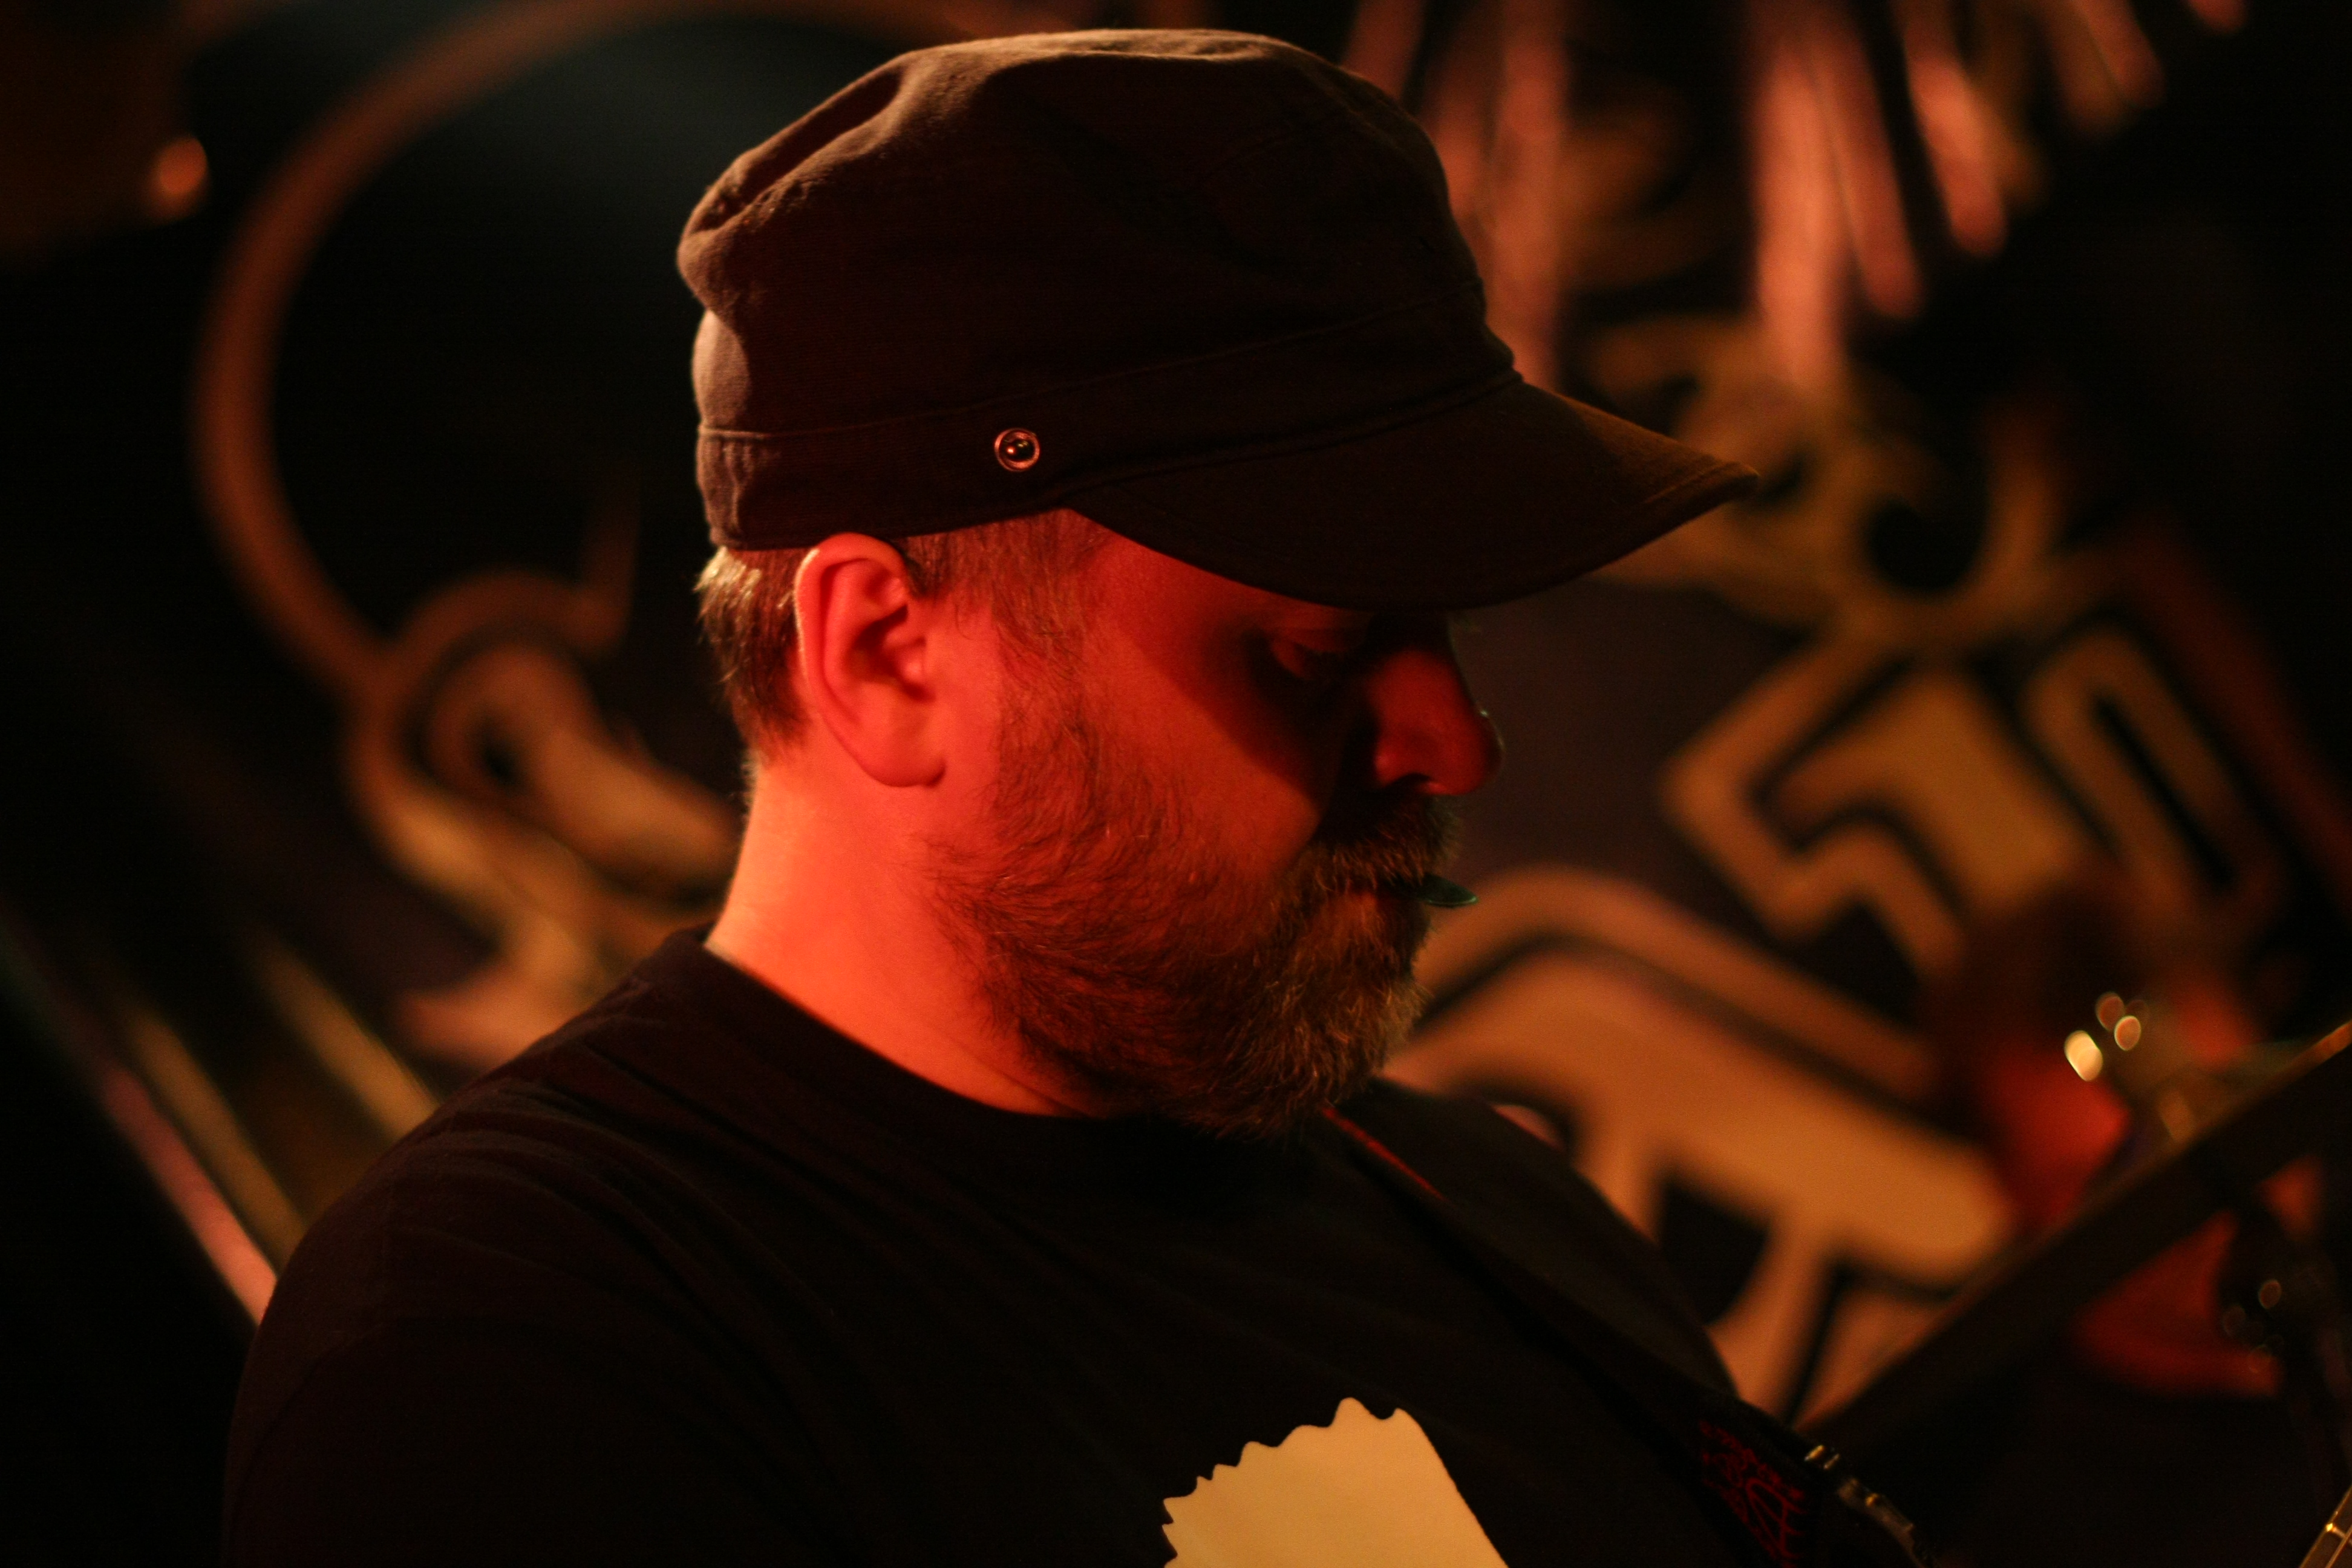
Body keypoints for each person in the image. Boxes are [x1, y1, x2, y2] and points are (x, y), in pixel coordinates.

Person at [217, 30, 1886, 1567]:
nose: (1452, 743)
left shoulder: (1489, 1211)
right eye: (1313, 652)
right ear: (886, 655)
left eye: (1441, 631)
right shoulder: (517, 1364)